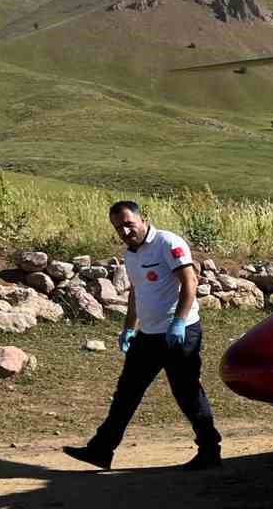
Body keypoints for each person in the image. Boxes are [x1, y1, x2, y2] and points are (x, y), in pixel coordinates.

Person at [63, 200, 222, 471]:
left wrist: (179, 322)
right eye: (118, 228)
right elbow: (136, 292)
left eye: (128, 224)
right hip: (148, 335)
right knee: (126, 392)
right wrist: (128, 327)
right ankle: (101, 450)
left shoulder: (167, 243)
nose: (124, 231)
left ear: (142, 219)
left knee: (187, 392)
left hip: (179, 333)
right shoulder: (131, 254)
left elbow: (190, 282)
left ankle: (210, 450)